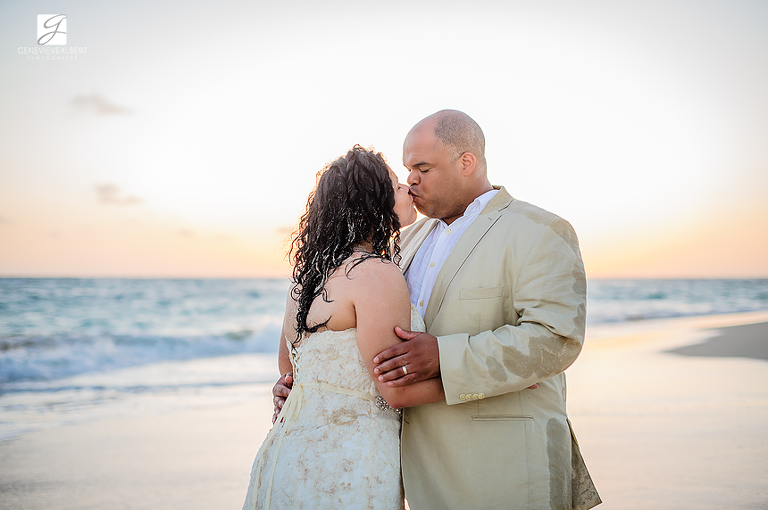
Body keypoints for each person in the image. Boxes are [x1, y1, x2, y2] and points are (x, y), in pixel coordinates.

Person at [275, 111, 601, 510]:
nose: (411, 180)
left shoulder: (539, 231)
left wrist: (443, 356)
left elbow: (556, 339)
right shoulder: (400, 242)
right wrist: (303, 387)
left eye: (423, 168)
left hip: (505, 465)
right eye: (407, 170)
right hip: (414, 473)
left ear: (467, 162)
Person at [242, 145, 445, 510]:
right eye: (395, 185)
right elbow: (395, 391)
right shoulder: (374, 273)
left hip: (285, 458)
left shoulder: (304, 282)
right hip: (351, 463)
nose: (407, 188)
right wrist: (488, 383)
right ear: (373, 202)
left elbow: (289, 375)